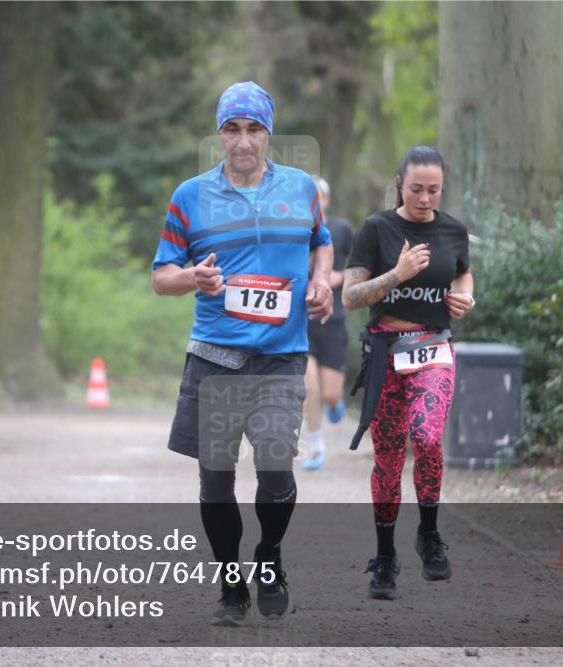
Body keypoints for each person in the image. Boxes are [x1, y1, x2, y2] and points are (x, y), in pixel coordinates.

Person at [152, 81, 333, 626]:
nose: (243, 141)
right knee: (215, 479)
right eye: (232, 129)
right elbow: (162, 278)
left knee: (276, 467)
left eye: (254, 129)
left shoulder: (301, 188)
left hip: (281, 356)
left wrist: (322, 281)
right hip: (216, 358)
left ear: (268, 133)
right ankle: (231, 585)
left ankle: (269, 555)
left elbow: (320, 241)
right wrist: (192, 277)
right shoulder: (190, 196)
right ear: (219, 134)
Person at [342, 145, 474, 600]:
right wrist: (396, 274)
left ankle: (430, 534)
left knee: (428, 436)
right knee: (389, 458)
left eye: (433, 190)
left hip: (433, 348)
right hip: (386, 353)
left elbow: (462, 274)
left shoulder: (454, 230)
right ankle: (385, 558)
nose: (424, 198)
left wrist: (465, 297)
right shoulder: (377, 229)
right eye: (416, 188)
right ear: (400, 183)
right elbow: (351, 297)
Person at [302, 175, 355, 471]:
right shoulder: (292, 230)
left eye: (318, 197)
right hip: (302, 320)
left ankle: (336, 403)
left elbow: (363, 265)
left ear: (326, 200)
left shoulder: (342, 229)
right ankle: (317, 448)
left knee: (330, 393)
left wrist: (339, 276)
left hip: (333, 320)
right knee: (309, 388)